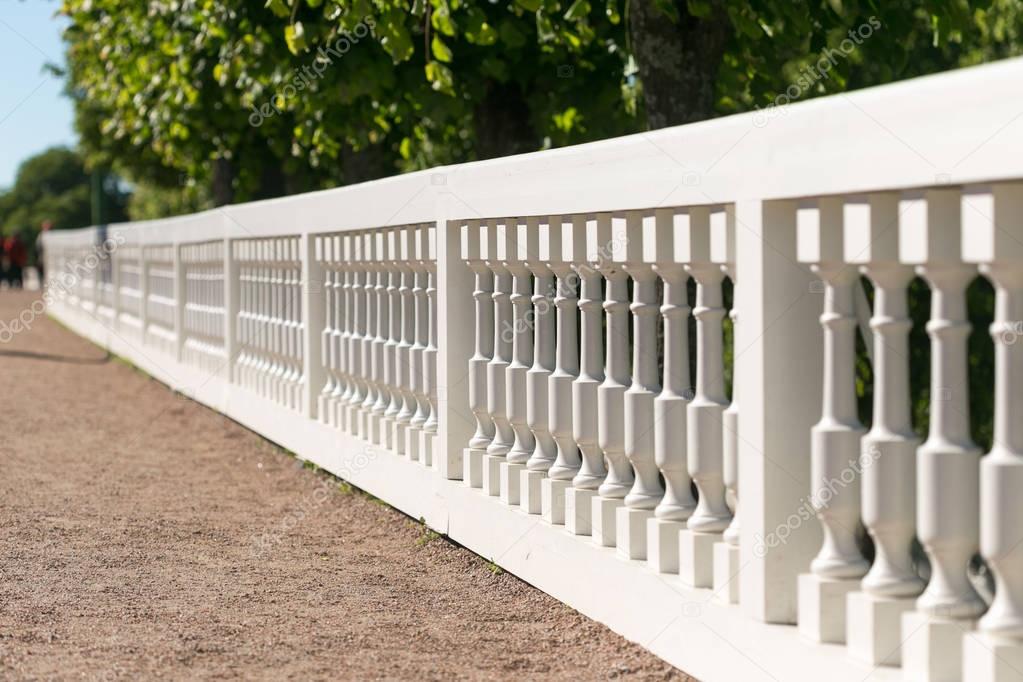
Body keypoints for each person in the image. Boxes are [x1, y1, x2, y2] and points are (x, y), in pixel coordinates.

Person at [35, 221, 52, 286]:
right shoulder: (41, 235)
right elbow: (38, 247)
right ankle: (42, 285)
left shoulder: (52, 235)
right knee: (41, 272)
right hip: (42, 257)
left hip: (50, 258)